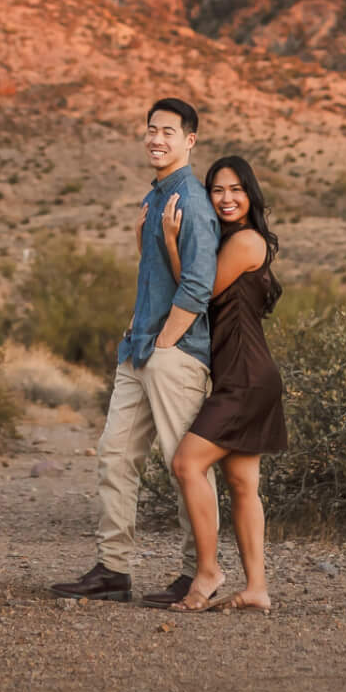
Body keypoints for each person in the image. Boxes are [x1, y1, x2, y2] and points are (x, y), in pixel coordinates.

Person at [49, 98, 218, 607]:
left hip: (174, 353)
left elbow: (197, 283)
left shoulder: (190, 199)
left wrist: (166, 341)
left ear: (190, 140)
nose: (156, 139)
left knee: (183, 465)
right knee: (115, 456)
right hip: (138, 349)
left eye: (168, 131)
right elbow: (156, 276)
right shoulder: (157, 197)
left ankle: (197, 575)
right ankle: (112, 571)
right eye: (150, 130)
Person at [160, 154, 286, 611]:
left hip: (247, 379)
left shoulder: (248, 242)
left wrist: (172, 244)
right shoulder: (230, 240)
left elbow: (197, 290)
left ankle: (208, 571)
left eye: (235, 189)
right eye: (217, 190)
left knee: (187, 464)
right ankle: (257, 589)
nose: (226, 198)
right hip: (244, 374)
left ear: (250, 194)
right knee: (241, 482)